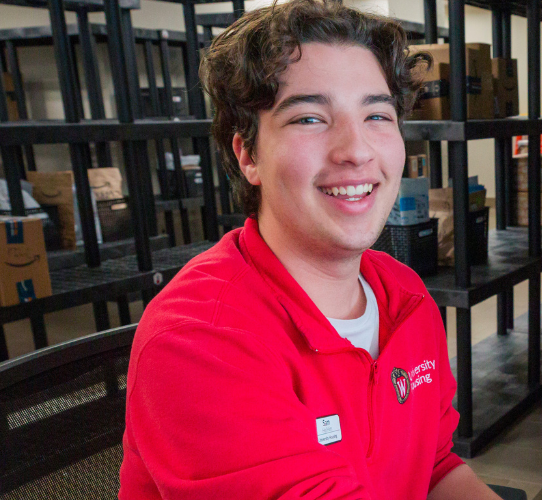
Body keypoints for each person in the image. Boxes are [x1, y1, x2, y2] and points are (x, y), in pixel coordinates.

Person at [118, 1, 500, 498]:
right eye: (309, 118)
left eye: (377, 115)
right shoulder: (200, 337)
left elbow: (435, 467)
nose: (357, 150)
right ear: (248, 155)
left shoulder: (403, 295)